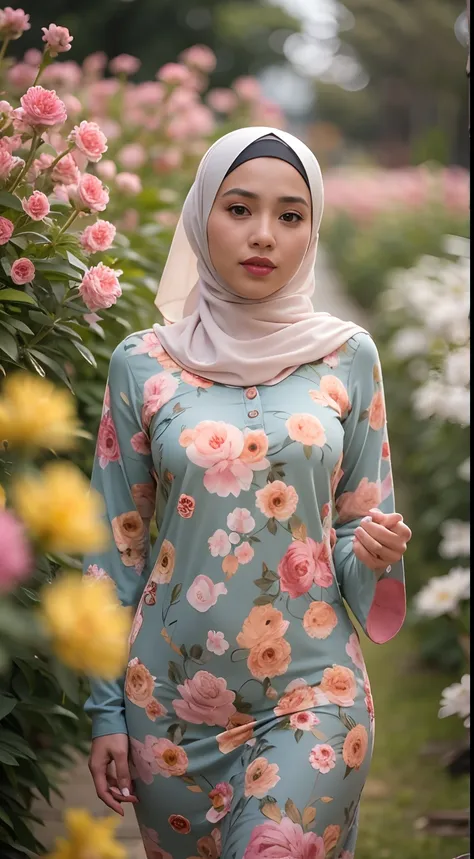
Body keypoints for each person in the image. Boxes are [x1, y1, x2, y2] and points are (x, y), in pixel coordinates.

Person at [84, 127, 412, 859]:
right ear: (202, 215)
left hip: (313, 696)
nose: (264, 235)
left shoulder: (349, 355)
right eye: (239, 208)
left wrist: (378, 551)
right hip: (165, 715)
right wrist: (104, 710)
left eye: (290, 215)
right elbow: (114, 545)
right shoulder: (142, 364)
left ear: (312, 230)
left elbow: (359, 536)